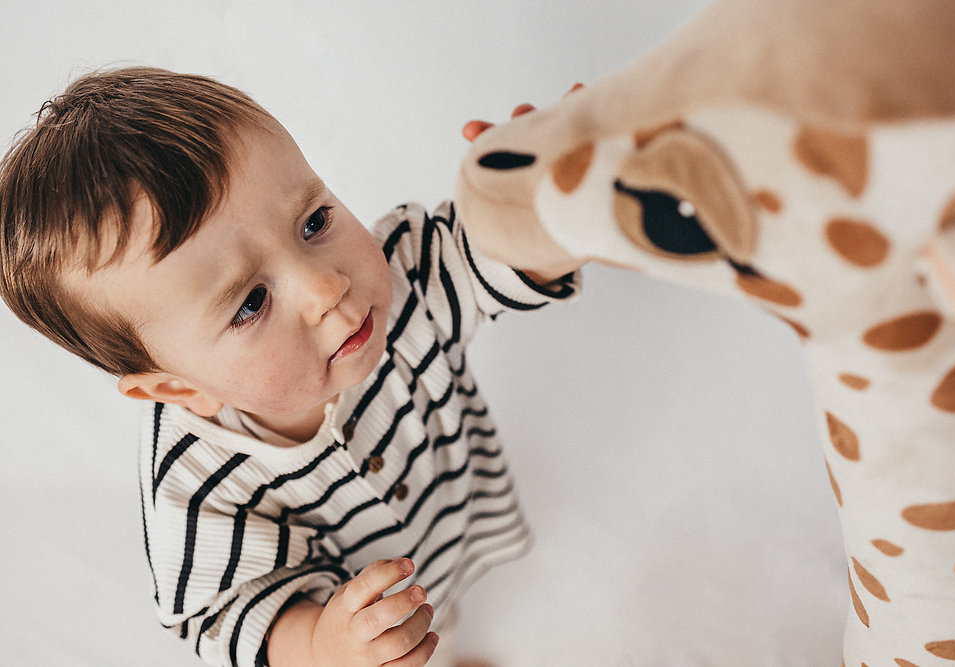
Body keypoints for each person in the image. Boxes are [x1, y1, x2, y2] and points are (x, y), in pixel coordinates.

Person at [0, 67, 581, 667]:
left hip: (448, 527)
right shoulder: (197, 487)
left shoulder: (405, 278)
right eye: (251, 303)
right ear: (177, 387)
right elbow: (227, 610)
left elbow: (490, 251)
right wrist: (322, 646)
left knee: (439, 615)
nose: (327, 287)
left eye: (314, 223)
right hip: (344, 628)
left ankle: (446, 631)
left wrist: (549, 208)